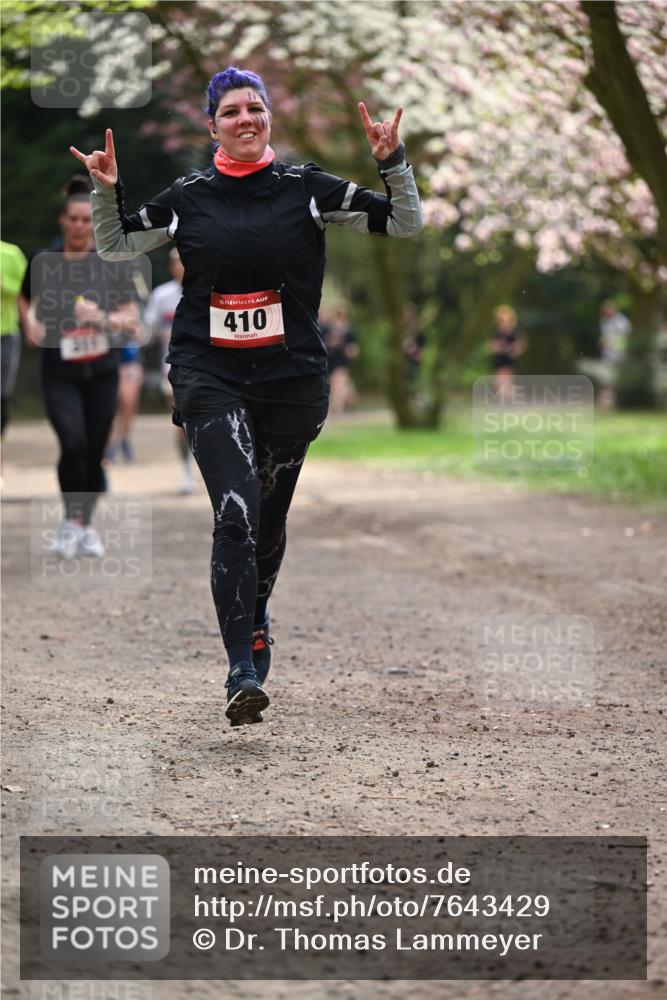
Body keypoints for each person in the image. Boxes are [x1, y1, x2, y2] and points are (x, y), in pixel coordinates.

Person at [71, 65, 423, 726]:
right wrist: (105, 189)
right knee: (234, 514)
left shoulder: (306, 188)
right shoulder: (188, 196)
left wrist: (392, 162)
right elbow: (117, 246)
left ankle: (255, 616)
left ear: (268, 118)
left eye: (255, 108)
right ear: (212, 126)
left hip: (290, 379)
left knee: (267, 521)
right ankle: (240, 668)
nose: (245, 119)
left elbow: (404, 223)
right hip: (209, 372)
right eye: (231, 111)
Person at [19, 177, 141, 558]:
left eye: (86, 220)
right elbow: (25, 299)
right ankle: (72, 522)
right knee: (72, 443)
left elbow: (132, 319)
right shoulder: (44, 262)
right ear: (63, 221)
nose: (79, 226)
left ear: (94, 223)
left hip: (102, 371)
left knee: (92, 450)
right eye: (72, 219)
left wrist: (101, 317)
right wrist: (31, 324)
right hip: (60, 372)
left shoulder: (111, 265)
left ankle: (83, 526)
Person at [143, 247, 194, 493]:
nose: (181, 266)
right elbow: (148, 330)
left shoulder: (208, 291)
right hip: (171, 369)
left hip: (205, 367)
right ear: (171, 266)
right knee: (182, 423)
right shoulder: (161, 296)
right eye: (177, 261)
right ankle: (187, 470)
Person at [1, 240, 28, 440]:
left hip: (6, 334)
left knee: (2, 395)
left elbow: (27, 291)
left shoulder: (11, 254)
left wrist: (4, 286)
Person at [321, 306, 359, 415]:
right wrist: (331, 343)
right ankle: (351, 398)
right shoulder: (328, 329)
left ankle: (336, 410)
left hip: (341, 361)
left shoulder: (349, 330)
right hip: (330, 361)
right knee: (339, 384)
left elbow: (354, 348)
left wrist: (350, 350)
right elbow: (323, 343)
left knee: (337, 384)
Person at [490, 304, 525, 402]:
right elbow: (492, 346)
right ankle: (506, 398)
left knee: (505, 380)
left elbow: (519, 346)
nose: (504, 324)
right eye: (501, 321)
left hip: (508, 360)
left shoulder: (513, 334)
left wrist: (512, 349)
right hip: (499, 360)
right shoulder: (496, 334)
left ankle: (507, 398)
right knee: (499, 381)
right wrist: (499, 348)